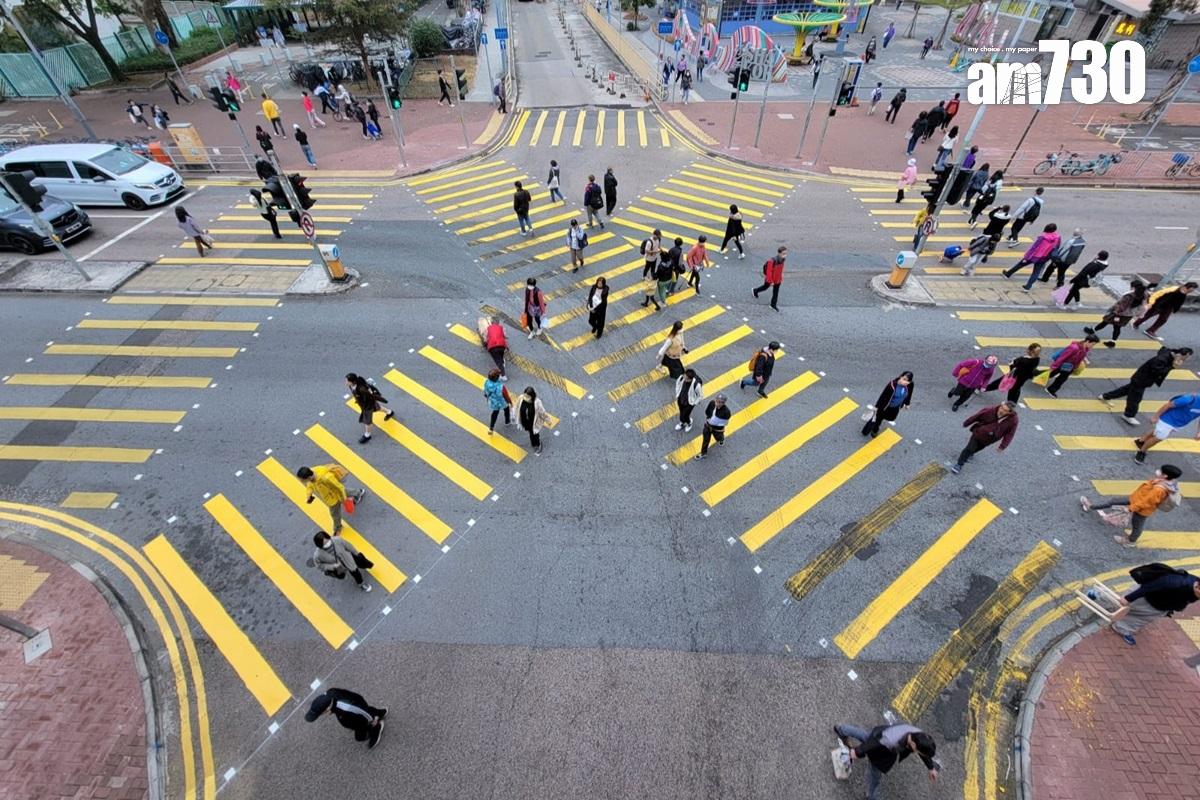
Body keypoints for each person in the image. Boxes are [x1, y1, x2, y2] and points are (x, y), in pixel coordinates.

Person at [1081, 465, 1182, 547]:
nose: (1158, 471)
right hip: (1134, 499)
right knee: (1113, 501)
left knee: (1137, 525)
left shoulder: (1159, 490)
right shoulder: (1167, 481)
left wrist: (1130, 509)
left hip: (1140, 508)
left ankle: (1130, 541)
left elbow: (1145, 502)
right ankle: (1091, 506)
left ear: (1165, 476)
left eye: (1161, 471)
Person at [834, 722, 940, 799]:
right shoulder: (890, 740)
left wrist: (931, 767)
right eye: (919, 752)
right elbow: (872, 744)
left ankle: (842, 729)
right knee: (875, 776)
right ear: (913, 745)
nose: (920, 754)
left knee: (865, 736)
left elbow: (923, 752)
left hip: (881, 734)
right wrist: (856, 752)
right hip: (880, 749)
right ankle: (871, 797)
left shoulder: (919, 736)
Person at [1107, 564, 1200, 645]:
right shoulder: (1176, 582)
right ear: (1198, 588)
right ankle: (1098, 595)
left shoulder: (1194, 588)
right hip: (1146, 598)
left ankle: (1121, 628)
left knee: (1140, 619)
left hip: (1159, 606)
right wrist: (1129, 598)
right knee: (1119, 604)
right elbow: (1151, 586)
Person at [950, 401, 1018, 474]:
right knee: (969, 448)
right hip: (979, 433)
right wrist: (967, 423)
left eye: (1005, 410)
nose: (1001, 410)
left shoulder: (1013, 420)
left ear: (1009, 412)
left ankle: (971, 453)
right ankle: (959, 464)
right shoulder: (990, 410)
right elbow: (977, 416)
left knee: (978, 448)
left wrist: (1003, 446)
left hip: (990, 439)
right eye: (1002, 407)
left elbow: (1010, 433)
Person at [304, 688, 386, 749]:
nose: (322, 715)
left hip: (359, 712)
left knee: (359, 737)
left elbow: (361, 712)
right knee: (364, 711)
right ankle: (379, 712)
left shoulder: (346, 708)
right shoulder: (329, 693)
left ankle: (377, 727)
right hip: (356, 703)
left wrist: (372, 720)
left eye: (321, 713)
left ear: (327, 709)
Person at [297, 463, 365, 534]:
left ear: (309, 477)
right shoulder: (311, 473)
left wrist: (344, 500)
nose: (302, 482)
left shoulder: (326, 478)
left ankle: (337, 528)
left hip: (333, 499)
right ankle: (358, 493)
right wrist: (309, 494)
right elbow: (310, 485)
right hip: (331, 494)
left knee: (335, 514)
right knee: (345, 491)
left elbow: (339, 487)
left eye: (303, 480)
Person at [1133, 392, 1200, 464]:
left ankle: (1141, 441)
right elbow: (1168, 405)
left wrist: (1199, 432)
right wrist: (1156, 416)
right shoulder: (1188, 399)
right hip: (1167, 419)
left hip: (1179, 424)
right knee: (1160, 437)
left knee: (1157, 432)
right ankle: (1141, 452)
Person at [1086, 279, 1148, 347]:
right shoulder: (1144, 294)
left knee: (1106, 321)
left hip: (1119, 314)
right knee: (1116, 327)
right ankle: (1112, 341)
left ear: (1133, 287)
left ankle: (1092, 330)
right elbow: (1142, 306)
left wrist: (1114, 311)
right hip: (1128, 315)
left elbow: (1122, 306)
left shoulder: (1129, 296)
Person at [1003, 223, 1061, 290]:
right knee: (1036, 272)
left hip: (1034, 256)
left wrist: (1026, 257)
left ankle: (1008, 274)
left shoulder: (1043, 237)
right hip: (1044, 258)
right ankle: (1028, 287)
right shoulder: (1058, 237)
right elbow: (1056, 247)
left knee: (1020, 264)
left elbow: (1034, 248)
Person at [1133, 282, 1198, 339]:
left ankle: (1150, 331)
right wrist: (1151, 303)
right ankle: (1136, 323)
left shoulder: (1185, 293)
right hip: (1158, 305)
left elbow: (1178, 301)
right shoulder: (1173, 289)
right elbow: (1157, 294)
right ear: (1186, 287)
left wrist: (1175, 309)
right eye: (1192, 289)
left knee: (1163, 319)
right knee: (1148, 315)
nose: (1192, 291)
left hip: (1168, 307)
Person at [863, 371, 913, 438]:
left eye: (907, 381)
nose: (904, 382)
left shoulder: (910, 385)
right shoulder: (892, 385)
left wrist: (907, 403)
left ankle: (878, 419)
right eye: (904, 379)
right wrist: (877, 406)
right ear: (901, 376)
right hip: (885, 407)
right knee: (879, 419)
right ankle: (874, 430)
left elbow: (909, 394)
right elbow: (883, 396)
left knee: (891, 418)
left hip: (896, 407)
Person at [347, 373, 393, 443]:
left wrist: (383, 400)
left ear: (352, 382)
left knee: (367, 421)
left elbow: (372, 396)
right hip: (365, 404)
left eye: (347, 381)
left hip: (367, 405)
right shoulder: (351, 386)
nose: (346, 382)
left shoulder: (362, 389)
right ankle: (389, 412)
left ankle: (367, 435)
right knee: (378, 408)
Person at [694, 394, 731, 459]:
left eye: (720, 402)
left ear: (724, 403)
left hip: (718, 429)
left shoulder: (726, 412)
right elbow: (707, 411)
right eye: (717, 401)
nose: (718, 403)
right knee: (705, 439)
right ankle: (703, 453)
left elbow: (725, 422)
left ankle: (721, 439)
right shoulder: (712, 403)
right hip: (708, 425)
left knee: (719, 437)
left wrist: (716, 423)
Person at [515, 386, 549, 455]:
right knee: (531, 433)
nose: (526, 398)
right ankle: (533, 443)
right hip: (525, 421)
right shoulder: (521, 397)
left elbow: (542, 412)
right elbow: (517, 406)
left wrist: (548, 420)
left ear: (532, 395)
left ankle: (538, 444)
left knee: (535, 434)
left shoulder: (537, 402)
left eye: (528, 396)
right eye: (525, 395)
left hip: (533, 422)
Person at [753, 246, 786, 311]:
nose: (785, 255)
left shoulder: (782, 260)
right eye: (783, 253)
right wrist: (771, 282)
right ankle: (755, 290)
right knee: (765, 287)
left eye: (785, 253)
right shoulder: (771, 261)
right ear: (779, 253)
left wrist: (780, 278)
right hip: (771, 280)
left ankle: (773, 305)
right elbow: (769, 272)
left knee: (776, 293)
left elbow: (780, 270)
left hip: (778, 280)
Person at [483, 368, 512, 434]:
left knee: (495, 414)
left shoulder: (487, 382)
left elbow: (485, 391)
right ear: (497, 378)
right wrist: (510, 402)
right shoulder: (501, 387)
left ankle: (491, 428)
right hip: (502, 402)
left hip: (493, 402)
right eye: (498, 375)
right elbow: (506, 396)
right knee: (506, 410)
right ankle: (507, 421)